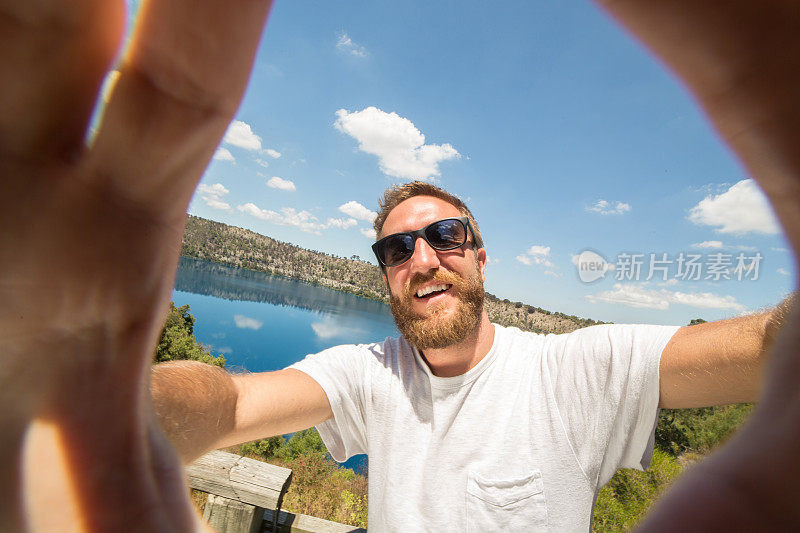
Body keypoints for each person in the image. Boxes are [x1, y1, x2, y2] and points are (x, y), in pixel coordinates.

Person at [3, 0, 799, 531]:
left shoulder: (576, 371)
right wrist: (104, 409)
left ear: (480, 256)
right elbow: (232, 399)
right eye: (396, 246)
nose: (422, 256)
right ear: (384, 273)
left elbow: (768, 349)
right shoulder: (372, 376)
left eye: (446, 234)